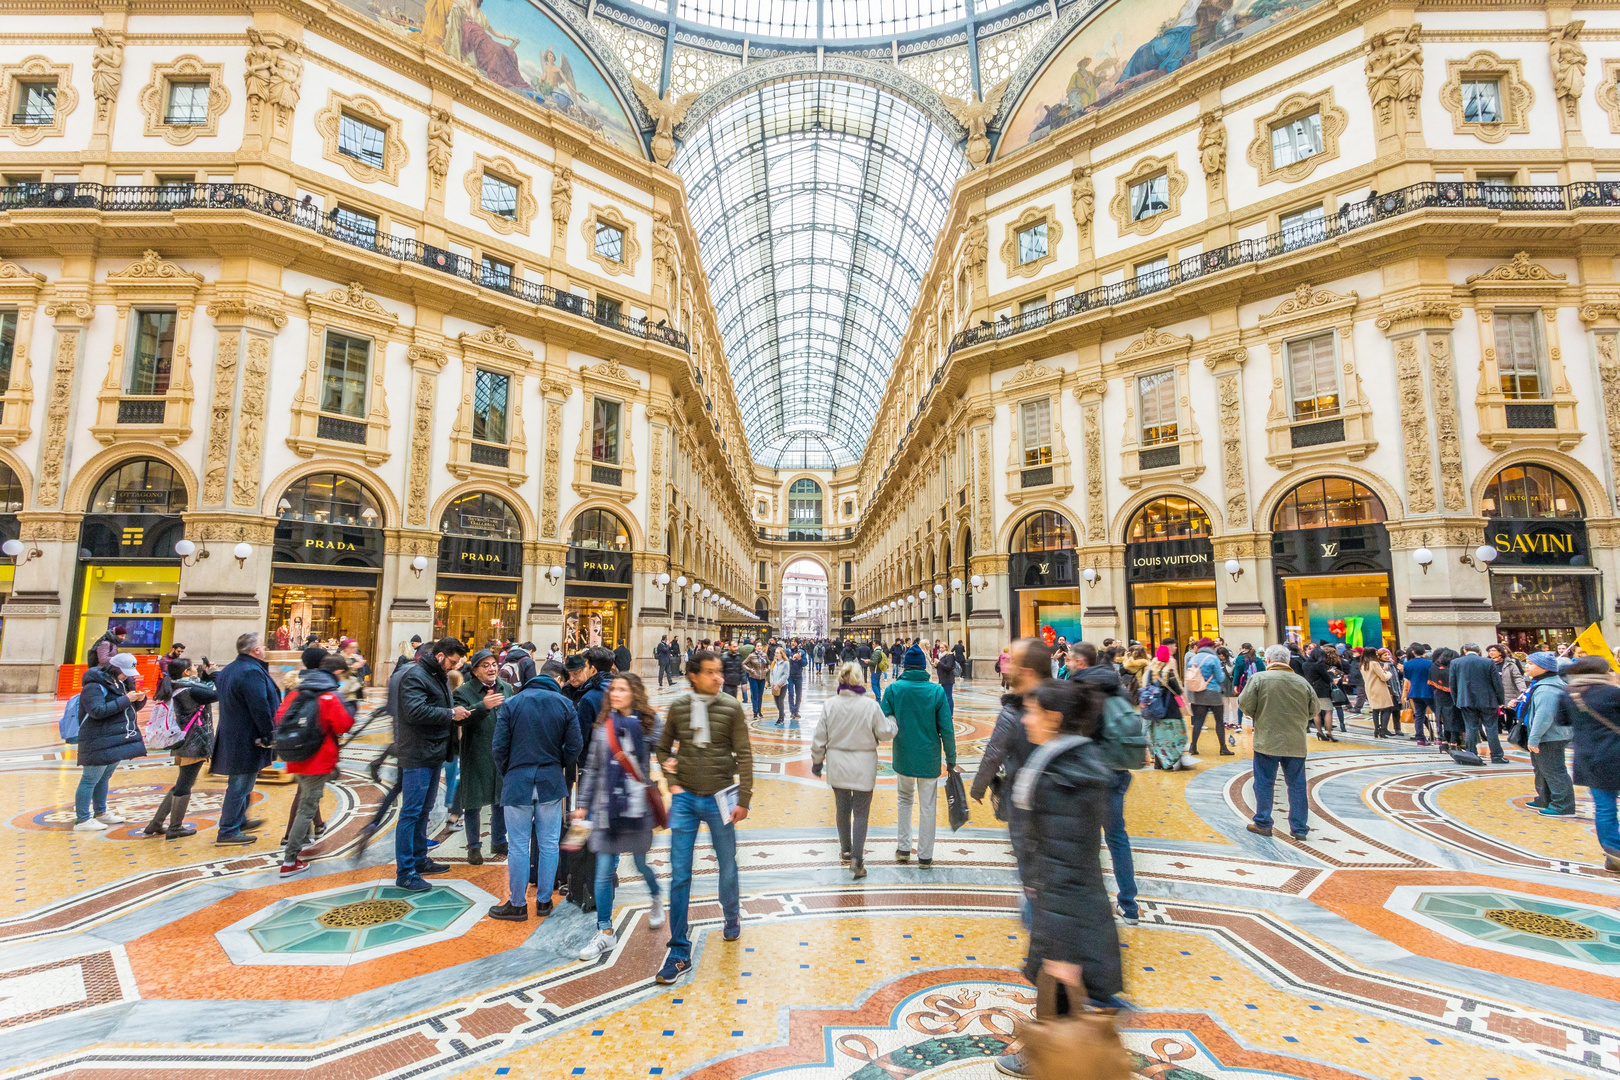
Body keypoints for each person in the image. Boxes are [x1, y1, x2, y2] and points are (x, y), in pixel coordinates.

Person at [996, 678, 1122, 1080]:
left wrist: (1061, 950)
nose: (1026, 719)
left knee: (1067, 1024)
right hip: (1067, 911)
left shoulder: (1061, 777)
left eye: (1032, 712)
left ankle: (1055, 1062)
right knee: (1066, 1012)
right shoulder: (1066, 763)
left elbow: (1066, 865)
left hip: (1067, 917)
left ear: (1053, 718)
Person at [655, 650, 753, 985]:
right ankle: (679, 950)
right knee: (680, 873)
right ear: (693, 676)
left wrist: (745, 797)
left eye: (719, 672)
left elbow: (745, 753)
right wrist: (672, 783)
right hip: (684, 801)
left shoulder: (731, 707)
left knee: (727, 864)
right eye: (710, 672)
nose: (718, 677)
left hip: (720, 798)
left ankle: (731, 915)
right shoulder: (680, 708)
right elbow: (662, 748)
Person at [574, 673, 666, 959]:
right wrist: (582, 804)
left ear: (634, 693)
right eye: (613, 689)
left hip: (637, 808)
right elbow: (592, 768)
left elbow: (666, 754)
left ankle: (656, 897)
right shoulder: (604, 726)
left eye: (622, 689)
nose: (615, 694)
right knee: (603, 872)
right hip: (607, 809)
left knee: (641, 864)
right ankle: (605, 932)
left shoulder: (650, 725)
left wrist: (674, 773)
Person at [488, 650, 582, 920]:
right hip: (551, 780)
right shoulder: (565, 705)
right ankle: (543, 902)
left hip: (518, 780)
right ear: (559, 679)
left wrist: (510, 770)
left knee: (518, 845)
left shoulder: (512, 703)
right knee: (550, 843)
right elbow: (575, 745)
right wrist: (557, 763)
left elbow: (499, 747)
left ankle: (517, 904)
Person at [1068, 641, 1141, 925]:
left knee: (1083, 838)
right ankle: (1129, 905)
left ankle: (1086, 903)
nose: (1069, 664)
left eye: (1072, 661)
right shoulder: (1116, 683)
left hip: (1089, 771)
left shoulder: (1081, 688)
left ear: (1082, 663)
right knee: (1117, 837)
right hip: (1117, 769)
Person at [395, 637, 471, 890]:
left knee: (423, 811)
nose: (453, 666)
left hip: (433, 752)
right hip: (417, 754)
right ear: (440, 656)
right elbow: (414, 711)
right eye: (452, 661)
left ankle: (419, 859)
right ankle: (405, 871)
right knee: (411, 813)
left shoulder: (436, 674)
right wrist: (450, 714)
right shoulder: (415, 676)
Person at [811, 661, 897, 878]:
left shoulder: (831, 705)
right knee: (861, 812)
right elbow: (886, 732)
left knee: (842, 808)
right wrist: (893, 722)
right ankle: (857, 861)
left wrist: (817, 761)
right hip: (864, 765)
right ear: (860, 680)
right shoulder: (870, 706)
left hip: (838, 764)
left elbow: (820, 736)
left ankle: (846, 850)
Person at [973, 639, 1046, 890]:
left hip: (1026, 806)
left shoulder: (1014, 711)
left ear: (1028, 672)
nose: (1006, 665)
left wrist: (979, 786)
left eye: (1012, 661)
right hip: (1047, 808)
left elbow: (994, 752)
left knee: (1033, 881)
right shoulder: (1064, 703)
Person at [275, 654, 354, 876]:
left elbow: (280, 717)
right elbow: (344, 724)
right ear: (336, 673)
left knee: (306, 800)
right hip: (318, 759)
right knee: (306, 807)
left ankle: (307, 836)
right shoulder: (328, 695)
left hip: (295, 755)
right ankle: (290, 860)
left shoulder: (297, 692)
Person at [884, 644, 956, 868]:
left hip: (903, 755)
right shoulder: (935, 691)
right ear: (924, 667)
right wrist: (951, 758)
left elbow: (883, 720)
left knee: (904, 800)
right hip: (929, 757)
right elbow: (947, 727)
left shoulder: (893, 689)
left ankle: (904, 848)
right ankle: (925, 856)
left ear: (905, 666)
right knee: (928, 806)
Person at [1238, 645, 1316, 840]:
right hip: (1295, 742)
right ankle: (1299, 828)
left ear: (1269, 660)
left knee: (1264, 782)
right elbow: (1313, 709)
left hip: (1267, 739)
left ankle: (1263, 822)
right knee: (1297, 785)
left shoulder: (1259, 679)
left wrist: (1258, 713)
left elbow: (1245, 704)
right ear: (1288, 661)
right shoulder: (1302, 682)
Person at [211, 633, 282, 846]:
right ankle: (228, 830)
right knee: (240, 785)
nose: (265, 648)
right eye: (263, 645)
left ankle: (240, 820)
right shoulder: (251, 671)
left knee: (243, 783)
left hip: (235, 734)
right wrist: (268, 734)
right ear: (255, 650)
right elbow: (259, 706)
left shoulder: (232, 668)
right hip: (247, 737)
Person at [140, 658, 217, 838]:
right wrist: (214, 674)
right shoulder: (190, 690)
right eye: (192, 668)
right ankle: (175, 827)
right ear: (186, 672)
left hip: (183, 740)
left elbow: (205, 690)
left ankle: (156, 823)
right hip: (194, 743)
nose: (195, 670)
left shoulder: (176, 687)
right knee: (185, 784)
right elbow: (216, 693)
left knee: (182, 782)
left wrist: (206, 674)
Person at [73, 651, 148, 831]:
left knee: (104, 777)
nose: (126, 676)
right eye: (124, 672)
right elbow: (97, 711)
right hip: (96, 739)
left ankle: (101, 812)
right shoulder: (93, 686)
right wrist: (125, 699)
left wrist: (139, 700)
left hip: (112, 738)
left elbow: (126, 707)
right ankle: (82, 820)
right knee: (90, 779)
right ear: (115, 669)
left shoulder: (119, 684)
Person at [453, 648, 512, 865]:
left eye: (494, 664)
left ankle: (498, 840)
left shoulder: (506, 687)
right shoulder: (463, 691)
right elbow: (459, 719)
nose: (492, 668)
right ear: (475, 670)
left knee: (500, 799)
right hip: (475, 751)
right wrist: (482, 706)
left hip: (501, 753)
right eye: (486, 665)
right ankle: (473, 846)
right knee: (473, 801)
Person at [1564, 655, 1620, 873]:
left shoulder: (1569, 693)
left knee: (1604, 806)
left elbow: (1562, 720)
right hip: (1616, 752)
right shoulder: (1613, 692)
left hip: (1589, 757)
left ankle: (1614, 854)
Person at [1523, 651, 1576, 816]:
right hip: (1548, 735)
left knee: (1554, 770)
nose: (1527, 666)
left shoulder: (1547, 689)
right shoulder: (1542, 684)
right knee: (1542, 768)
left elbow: (1544, 716)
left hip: (1550, 736)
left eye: (1531, 663)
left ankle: (1563, 806)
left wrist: (1534, 738)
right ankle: (1544, 798)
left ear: (1544, 668)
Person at [1452, 643, 1506, 763]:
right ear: (1479, 651)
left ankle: (1471, 754)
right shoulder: (1488, 662)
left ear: (1465, 650)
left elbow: (1453, 684)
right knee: (1491, 728)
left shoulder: (1456, 662)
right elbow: (1497, 683)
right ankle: (1497, 756)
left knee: (1471, 727)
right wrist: (1501, 701)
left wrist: (1457, 700)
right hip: (1488, 700)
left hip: (1466, 700)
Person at [1185, 637, 1230, 756]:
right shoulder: (1213, 658)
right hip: (1214, 692)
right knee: (1219, 721)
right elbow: (1220, 677)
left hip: (1198, 693)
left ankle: (1193, 746)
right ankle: (1223, 748)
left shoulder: (1193, 658)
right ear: (1211, 647)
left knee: (1198, 721)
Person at [1145, 643, 1188, 769]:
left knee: (1159, 739)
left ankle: (1159, 762)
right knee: (1178, 737)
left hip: (1156, 711)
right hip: (1171, 710)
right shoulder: (1168, 672)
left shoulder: (1151, 673)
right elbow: (1178, 691)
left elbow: (1147, 688)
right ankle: (1174, 761)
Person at [1300, 645, 1338, 742]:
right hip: (1322, 690)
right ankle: (1329, 733)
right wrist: (1331, 673)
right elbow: (1327, 678)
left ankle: (1320, 732)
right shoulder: (1319, 665)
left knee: (1316, 712)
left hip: (1311, 689)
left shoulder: (1305, 664)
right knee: (1328, 710)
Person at [1490, 643, 1529, 729]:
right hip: (1493, 692)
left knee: (1510, 713)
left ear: (1500, 652)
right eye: (1490, 651)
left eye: (1493, 650)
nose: (1491, 653)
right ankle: (1498, 729)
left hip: (1508, 691)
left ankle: (1510, 730)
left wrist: (1523, 690)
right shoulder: (1488, 663)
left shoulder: (1510, 663)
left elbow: (1518, 677)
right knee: (1495, 713)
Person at [1362, 648, 1396, 738]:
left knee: (1375, 709)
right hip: (1379, 688)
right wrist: (1388, 672)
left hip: (1369, 688)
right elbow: (1384, 677)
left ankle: (1376, 729)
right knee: (1387, 708)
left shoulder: (1363, 664)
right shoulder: (1374, 663)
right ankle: (1383, 729)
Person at [1403, 645, 1435, 745]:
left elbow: (1407, 678)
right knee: (1437, 714)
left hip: (1414, 692)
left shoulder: (1407, 664)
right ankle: (1441, 737)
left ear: (1413, 652)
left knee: (1419, 715)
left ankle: (1420, 738)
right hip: (1428, 691)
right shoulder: (1430, 663)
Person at [742, 644, 769, 721]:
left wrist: (767, 669)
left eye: (761, 646)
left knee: (760, 695)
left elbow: (768, 664)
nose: (759, 647)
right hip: (754, 677)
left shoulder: (764, 655)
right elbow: (743, 663)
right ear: (755, 647)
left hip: (762, 678)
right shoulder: (751, 656)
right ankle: (755, 712)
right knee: (755, 695)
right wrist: (750, 670)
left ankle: (759, 711)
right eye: (758, 646)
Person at [769, 645, 791, 725]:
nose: (776, 654)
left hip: (783, 685)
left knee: (780, 700)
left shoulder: (786, 663)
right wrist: (772, 683)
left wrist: (778, 684)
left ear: (782, 654)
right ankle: (782, 713)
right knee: (776, 701)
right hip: (774, 685)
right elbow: (771, 673)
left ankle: (780, 718)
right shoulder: (774, 663)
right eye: (775, 653)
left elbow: (786, 675)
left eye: (778, 653)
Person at [787, 640, 808, 720]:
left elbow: (805, 663)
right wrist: (791, 660)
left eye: (794, 642)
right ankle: (792, 711)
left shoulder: (802, 652)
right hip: (790, 675)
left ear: (797, 643)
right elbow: (784, 662)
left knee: (799, 694)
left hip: (798, 675)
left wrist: (800, 659)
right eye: (791, 641)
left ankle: (796, 710)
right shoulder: (787, 651)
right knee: (791, 693)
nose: (792, 643)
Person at [934, 644, 958, 713]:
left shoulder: (950, 656)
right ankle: (946, 712)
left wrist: (939, 662)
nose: (941, 649)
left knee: (948, 696)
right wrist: (936, 665)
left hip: (948, 678)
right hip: (943, 679)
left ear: (946, 648)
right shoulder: (941, 656)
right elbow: (941, 667)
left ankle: (950, 713)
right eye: (940, 648)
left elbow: (948, 667)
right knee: (944, 696)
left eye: (942, 647)